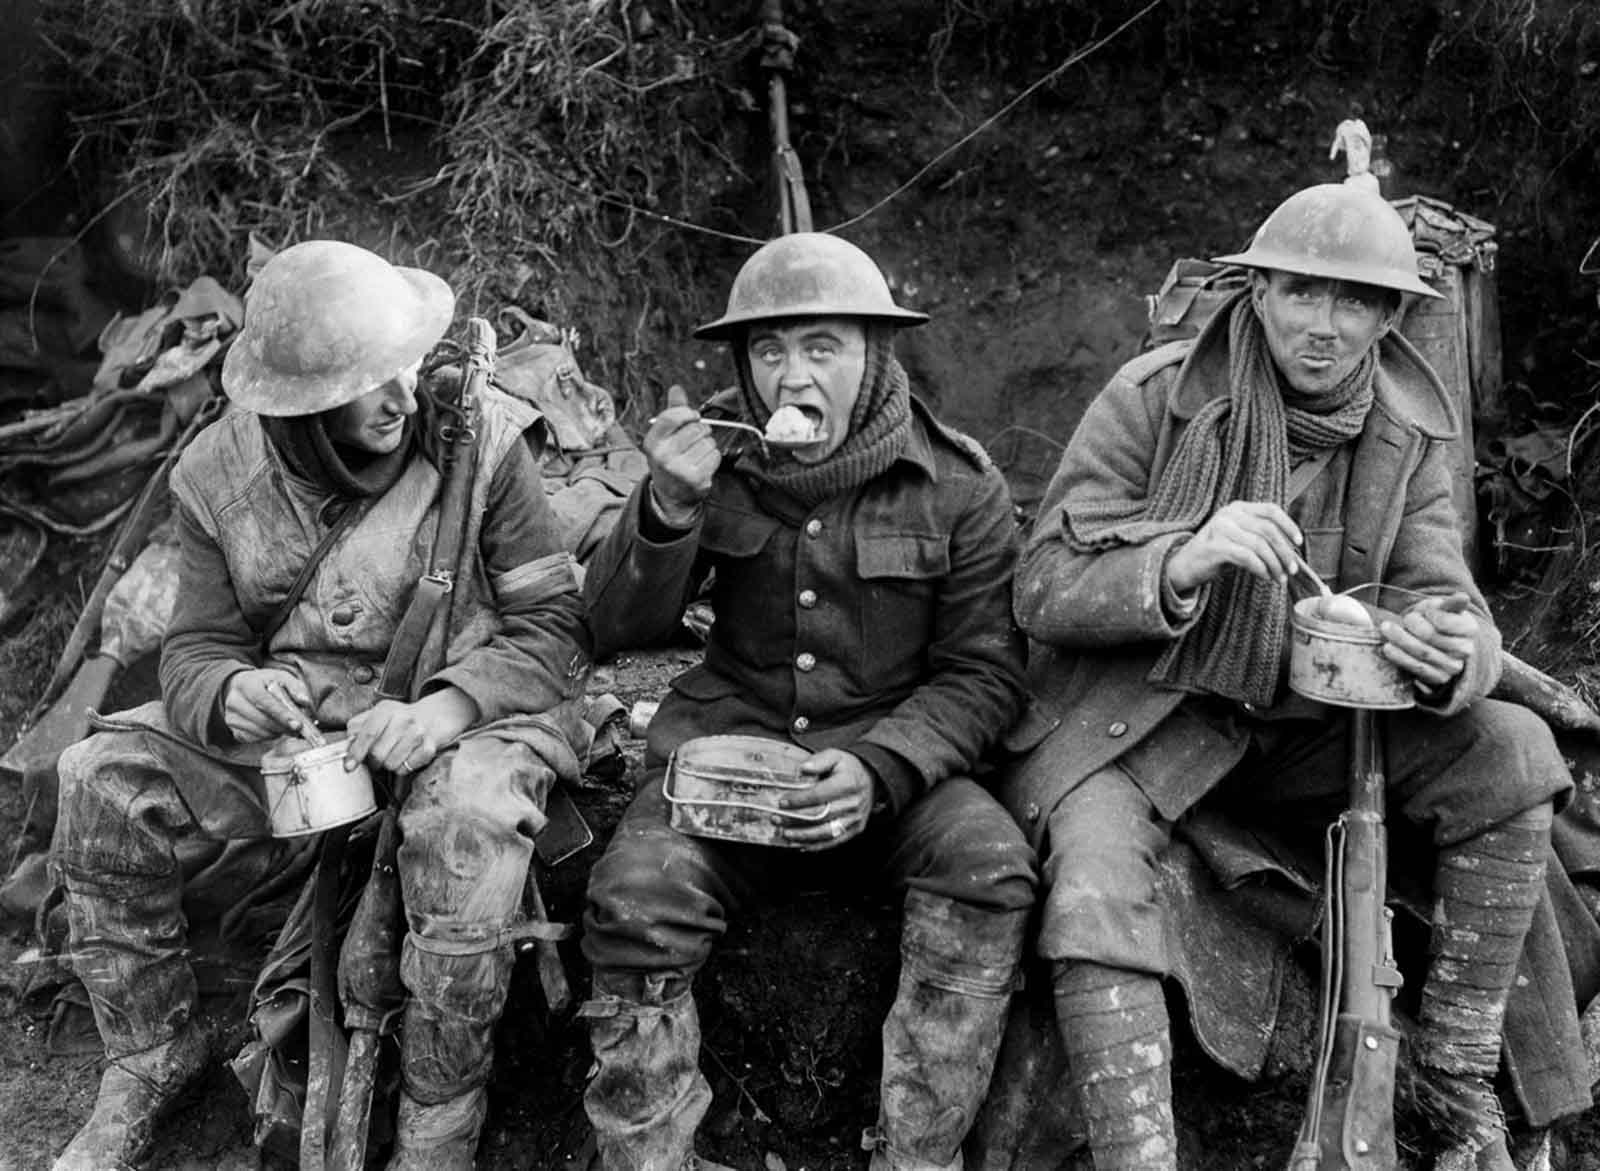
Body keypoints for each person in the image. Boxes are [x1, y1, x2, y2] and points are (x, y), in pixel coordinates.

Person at [1002, 183, 1572, 1170]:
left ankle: (1452, 1070)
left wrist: (1447, 652)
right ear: (1257, 289)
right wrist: (1178, 559)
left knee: (1513, 747)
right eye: (1300, 293)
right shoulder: (1155, 397)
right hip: (1144, 722)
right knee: (1091, 875)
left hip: (1316, 731)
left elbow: (1447, 599)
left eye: (1352, 302)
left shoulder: (1408, 432)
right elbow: (1042, 586)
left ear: (1390, 317)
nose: (1321, 324)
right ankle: (1136, 1151)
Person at [47, 240, 591, 1170]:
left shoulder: (485, 442)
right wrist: (233, 687)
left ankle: (439, 1119)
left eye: (406, 366)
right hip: (310, 746)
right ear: (298, 406)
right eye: (368, 383)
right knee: (98, 776)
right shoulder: (216, 476)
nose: (405, 398)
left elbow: (555, 628)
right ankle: (150, 1055)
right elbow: (194, 650)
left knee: (465, 835)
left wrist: (445, 711)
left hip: (464, 715)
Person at [577, 231, 1038, 1171]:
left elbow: (985, 673)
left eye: (822, 347)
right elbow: (615, 625)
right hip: (726, 757)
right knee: (631, 898)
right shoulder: (712, 458)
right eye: (770, 351)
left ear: (874, 354)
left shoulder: (959, 485)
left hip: (889, 762)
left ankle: (919, 1153)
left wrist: (879, 769)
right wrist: (664, 508)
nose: (792, 379)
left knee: (991, 868)